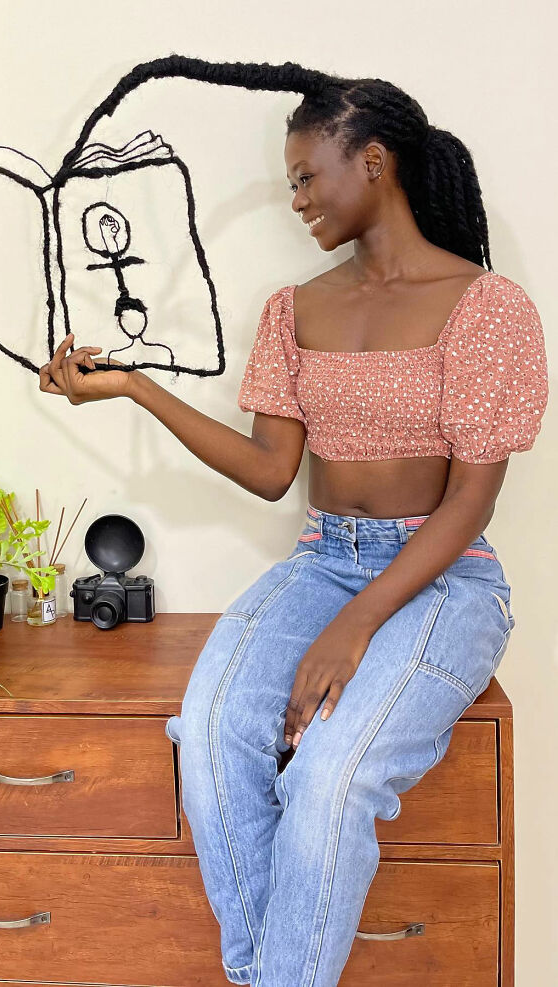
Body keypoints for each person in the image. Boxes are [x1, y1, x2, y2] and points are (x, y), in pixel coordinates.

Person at [39, 80, 549, 987]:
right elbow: (273, 469)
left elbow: (471, 501)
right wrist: (135, 388)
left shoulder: (488, 307)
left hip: (445, 577)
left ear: (375, 163)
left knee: (328, 777)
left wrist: (353, 630)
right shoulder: (297, 308)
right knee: (207, 724)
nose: (299, 198)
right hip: (321, 562)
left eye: (309, 176)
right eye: (292, 184)